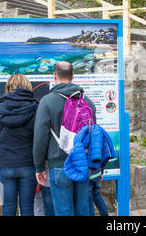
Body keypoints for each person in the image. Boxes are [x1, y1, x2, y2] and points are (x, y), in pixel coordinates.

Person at [33, 61, 96, 216]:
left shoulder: (47, 102)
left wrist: (39, 167)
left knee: (63, 211)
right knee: (83, 209)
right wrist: (96, 164)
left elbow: (40, 137)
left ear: (54, 76)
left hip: (59, 165)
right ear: (73, 76)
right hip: (83, 164)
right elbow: (95, 136)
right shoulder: (87, 102)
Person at [0, 74, 38, 216]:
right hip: (28, 164)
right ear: (27, 86)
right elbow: (40, 138)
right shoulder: (35, 107)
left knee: (8, 208)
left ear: (8, 86)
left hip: (3, 166)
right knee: (27, 208)